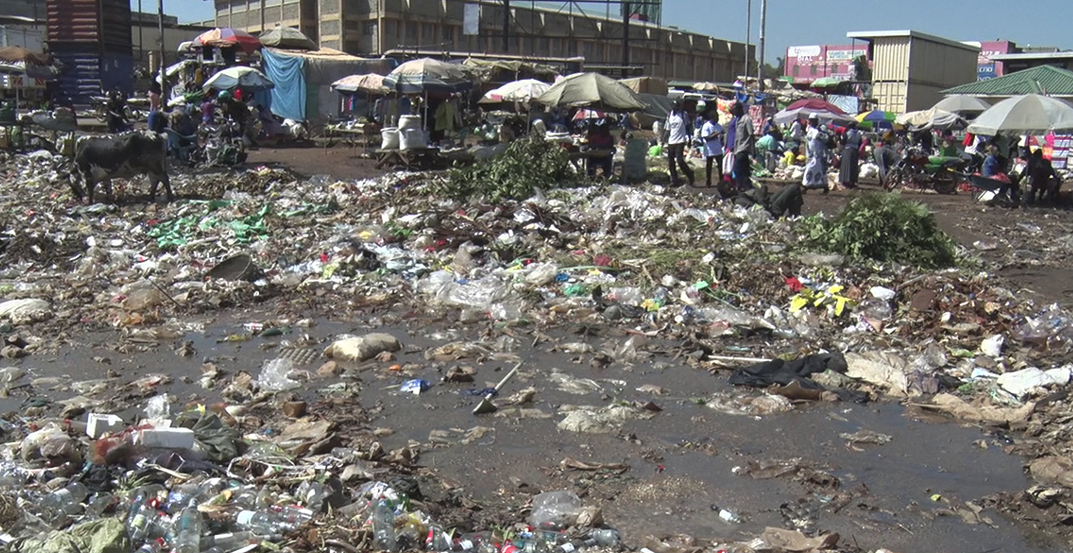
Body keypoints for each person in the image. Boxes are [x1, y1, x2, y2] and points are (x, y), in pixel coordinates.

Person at [664, 102, 694, 186]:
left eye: (677, 106)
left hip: (680, 140)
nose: (676, 108)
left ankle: (690, 174)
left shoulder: (683, 115)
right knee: (671, 161)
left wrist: (689, 139)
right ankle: (674, 179)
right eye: (674, 106)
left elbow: (688, 127)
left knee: (679, 160)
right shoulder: (669, 116)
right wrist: (663, 140)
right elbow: (667, 129)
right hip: (671, 141)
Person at [802, 114, 831, 192]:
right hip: (811, 155)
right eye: (811, 120)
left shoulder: (819, 132)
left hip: (819, 155)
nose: (812, 122)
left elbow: (826, 140)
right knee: (811, 169)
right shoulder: (809, 131)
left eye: (814, 120)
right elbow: (808, 143)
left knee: (818, 170)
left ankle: (821, 186)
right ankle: (807, 186)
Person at [731, 102, 754, 191]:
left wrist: (753, 150)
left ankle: (739, 185)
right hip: (738, 147)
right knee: (744, 169)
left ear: (739, 109)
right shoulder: (738, 120)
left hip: (744, 148)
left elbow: (751, 135)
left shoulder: (746, 119)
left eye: (735, 110)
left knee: (737, 168)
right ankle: (747, 186)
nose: (734, 112)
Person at [700, 111, 724, 187]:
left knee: (720, 166)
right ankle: (708, 181)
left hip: (718, 148)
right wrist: (715, 134)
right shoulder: (706, 126)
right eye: (716, 118)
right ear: (712, 118)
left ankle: (721, 181)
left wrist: (721, 138)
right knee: (709, 166)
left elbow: (722, 135)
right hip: (709, 149)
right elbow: (706, 137)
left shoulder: (719, 126)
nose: (717, 119)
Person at [839, 121, 862, 189]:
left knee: (846, 166)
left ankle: (845, 181)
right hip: (855, 150)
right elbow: (860, 143)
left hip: (847, 150)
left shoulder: (847, 133)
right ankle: (852, 181)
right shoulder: (858, 134)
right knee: (853, 166)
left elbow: (842, 142)